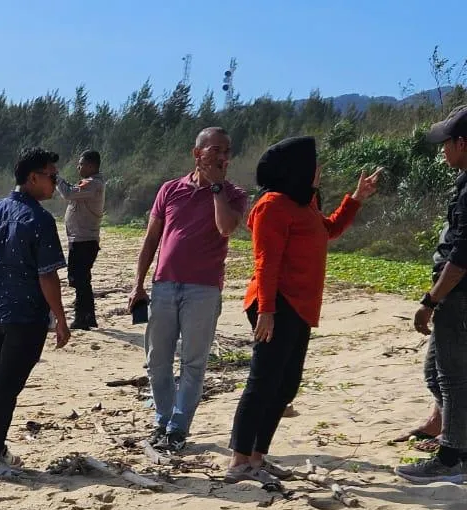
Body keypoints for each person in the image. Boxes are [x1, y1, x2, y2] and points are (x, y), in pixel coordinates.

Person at [226, 137, 379, 486]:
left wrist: (356, 199)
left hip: (300, 306)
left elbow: (329, 231)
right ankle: (238, 461)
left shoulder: (304, 202)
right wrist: (266, 311)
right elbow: (266, 262)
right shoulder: (272, 206)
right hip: (276, 304)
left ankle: (257, 457)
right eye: (314, 164)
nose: (319, 170)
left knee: (286, 385)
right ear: (296, 169)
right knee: (264, 383)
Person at [127, 127, 248, 453]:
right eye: (215, 150)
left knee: (193, 363)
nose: (223, 156)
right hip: (164, 284)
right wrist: (138, 283)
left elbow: (225, 227)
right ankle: (163, 420)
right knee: (157, 360)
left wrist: (217, 189)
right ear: (197, 154)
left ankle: (178, 428)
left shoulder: (234, 193)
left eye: (226, 151)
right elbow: (152, 238)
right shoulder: (170, 190)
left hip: (204, 290)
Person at [0, 147, 72, 478]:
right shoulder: (39, 220)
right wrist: (61, 318)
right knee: (6, 389)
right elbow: (47, 275)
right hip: (25, 316)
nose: (55, 183)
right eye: (52, 176)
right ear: (33, 177)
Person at [398, 105, 467, 484]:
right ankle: (456, 441)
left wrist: (431, 300)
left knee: (452, 377)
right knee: (438, 373)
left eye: (447, 144)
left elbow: (461, 255)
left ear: (462, 143)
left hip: (458, 296)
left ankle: (453, 456)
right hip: (455, 295)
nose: (443, 152)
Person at [56, 150, 106, 330]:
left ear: (91, 166)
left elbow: (69, 193)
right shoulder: (90, 184)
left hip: (85, 240)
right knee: (80, 279)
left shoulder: (93, 184)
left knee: (80, 279)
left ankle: (83, 317)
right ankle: (86, 316)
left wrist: (56, 179)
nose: (79, 167)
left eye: (82, 164)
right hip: (80, 239)